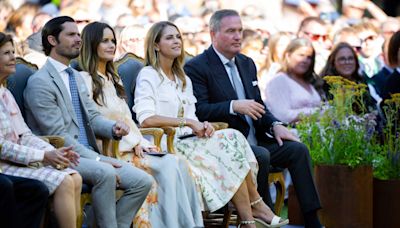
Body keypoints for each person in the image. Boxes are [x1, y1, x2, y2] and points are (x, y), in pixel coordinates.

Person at [134, 21, 289, 228]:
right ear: (155, 45)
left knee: (231, 137)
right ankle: (256, 211)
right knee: (228, 153)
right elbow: (146, 119)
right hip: (164, 144)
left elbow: (192, 118)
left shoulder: (183, 78)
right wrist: (187, 122)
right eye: (169, 37)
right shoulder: (148, 75)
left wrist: (203, 125)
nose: (176, 41)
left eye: (178, 36)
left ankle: (250, 219)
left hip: (188, 140)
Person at [184, 9, 322, 228]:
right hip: (226, 146)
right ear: (213, 34)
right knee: (262, 154)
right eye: (231, 31)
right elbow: (199, 110)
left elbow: (259, 105)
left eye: (240, 30)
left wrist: (275, 125)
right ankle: (264, 220)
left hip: (257, 138)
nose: (238, 36)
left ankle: (313, 220)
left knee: (298, 149)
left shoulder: (247, 63)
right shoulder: (197, 66)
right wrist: (233, 106)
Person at [23, 16, 153, 228]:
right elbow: (59, 136)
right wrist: (100, 160)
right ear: (53, 41)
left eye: (78, 34)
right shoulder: (40, 82)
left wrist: (113, 128)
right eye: (71, 34)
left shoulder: (74, 76)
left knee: (142, 181)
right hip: (62, 156)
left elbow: (92, 117)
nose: (78, 39)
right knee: (106, 172)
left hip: (89, 152)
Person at [78, 21, 203, 228]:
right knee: (170, 165)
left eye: (113, 41)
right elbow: (93, 121)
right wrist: (131, 140)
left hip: (130, 145)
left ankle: (186, 224)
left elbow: (127, 118)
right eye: (104, 41)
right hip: (111, 150)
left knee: (176, 162)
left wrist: (140, 141)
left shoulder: (111, 78)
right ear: (92, 44)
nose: (111, 46)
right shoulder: (84, 79)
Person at [0, 31, 82, 228]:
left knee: (74, 176)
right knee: (64, 181)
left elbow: (25, 135)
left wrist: (50, 152)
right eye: (6, 53)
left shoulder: (6, 93)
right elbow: (2, 147)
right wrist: (42, 155)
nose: (14, 57)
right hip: (4, 165)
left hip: (18, 160)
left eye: (13, 51)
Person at [264, 38, 322, 124]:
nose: (305, 60)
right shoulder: (279, 81)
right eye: (301, 55)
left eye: (309, 57)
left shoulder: (309, 82)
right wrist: (316, 113)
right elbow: (281, 115)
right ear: (288, 56)